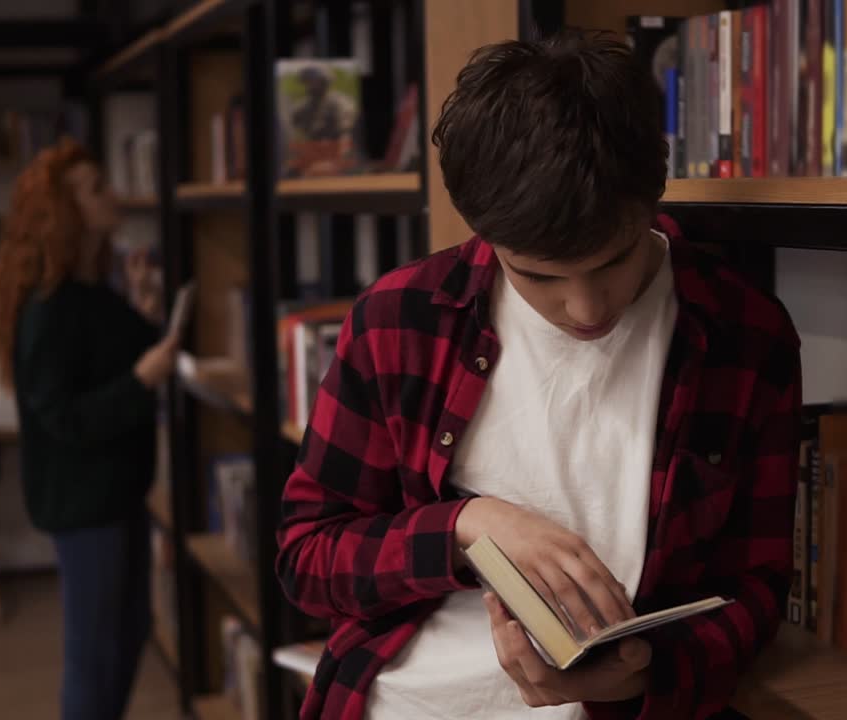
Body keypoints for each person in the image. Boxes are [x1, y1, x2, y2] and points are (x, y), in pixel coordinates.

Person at [276, 29, 802, 720]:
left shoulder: (745, 333)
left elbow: (757, 587)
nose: (586, 309)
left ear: (653, 195)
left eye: (614, 262)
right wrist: (467, 526)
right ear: (483, 234)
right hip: (405, 703)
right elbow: (307, 559)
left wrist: (646, 674)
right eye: (539, 275)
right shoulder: (399, 319)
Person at [0, 137, 177, 720]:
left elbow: (115, 359)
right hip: (83, 504)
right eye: (95, 189)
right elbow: (65, 416)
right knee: (95, 653)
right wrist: (143, 379)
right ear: (66, 211)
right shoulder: (51, 306)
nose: (111, 195)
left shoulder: (94, 292)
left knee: (128, 631)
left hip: (117, 492)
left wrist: (144, 314)